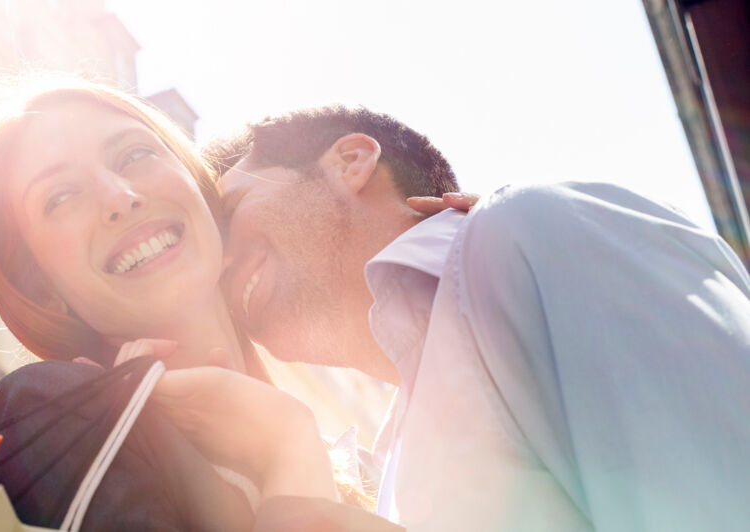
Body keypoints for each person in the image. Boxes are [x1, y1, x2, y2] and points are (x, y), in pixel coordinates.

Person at [196, 104, 750, 531]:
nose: (216, 261)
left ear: (351, 161)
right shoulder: (393, 461)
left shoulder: (530, 231)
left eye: (230, 212)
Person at [0, 79, 419, 529]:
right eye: (60, 197)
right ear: (42, 288)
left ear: (205, 200)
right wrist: (287, 449)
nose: (120, 198)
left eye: (134, 155)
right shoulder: (51, 416)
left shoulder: (379, 477)